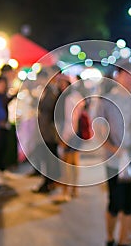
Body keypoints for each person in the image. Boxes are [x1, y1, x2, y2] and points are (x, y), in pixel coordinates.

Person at [96, 65, 131, 246]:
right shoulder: (107, 100)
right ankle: (110, 237)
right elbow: (98, 129)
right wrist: (112, 148)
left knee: (129, 202)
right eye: (128, 75)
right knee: (114, 202)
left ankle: (126, 238)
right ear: (118, 76)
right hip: (113, 160)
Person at [54, 74, 85, 202]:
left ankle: (66, 191)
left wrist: (64, 138)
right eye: (60, 83)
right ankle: (74, 189)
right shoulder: (75, 95)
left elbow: (70, 119)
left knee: (67, 163)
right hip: (76, 133)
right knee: (74, 161)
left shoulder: (67, 98)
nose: (61, 85)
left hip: (69, 133)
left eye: (64, 83)